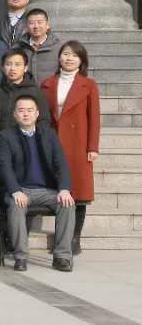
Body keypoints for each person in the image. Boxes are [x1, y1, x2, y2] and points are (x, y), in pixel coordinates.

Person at [0, 95, 76, 272]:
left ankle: (62, 256)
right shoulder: (5, 136)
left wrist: (64, 189)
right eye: (21, 110)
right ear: (15, 114)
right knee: (16, 205)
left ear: (37, 113)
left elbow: (61, 163)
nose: (26, 114)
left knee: (67, 203)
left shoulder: (49, 134)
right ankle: (21, 256)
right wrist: (15, 190)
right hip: (20, 189)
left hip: (46, 190)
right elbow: (4, 166)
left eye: (30, 110)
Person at [40, 41, 101, 256]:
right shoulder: (47, 84)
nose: (69, 58)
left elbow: (94, 118)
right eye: (66, 54)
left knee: (78, 193)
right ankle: (62, 236)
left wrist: (92, 146)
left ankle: (74, 239)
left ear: (81, 61)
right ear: (59, 57)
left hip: (78, 144)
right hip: (54, 142)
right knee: (58, 192)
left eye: (74, 55)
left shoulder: (88, 85)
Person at [0, 50, 51, 135]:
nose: (12, 68)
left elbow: (44, 120)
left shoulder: (34, 92)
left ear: (25, 68)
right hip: (1, 140)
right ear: (2, 68)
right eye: (8, 64)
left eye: (17, 64)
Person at [18, 8, 62, 84]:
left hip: (50, 90)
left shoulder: (59, 48)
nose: (36, 26)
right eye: (31, 23)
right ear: (26, 26)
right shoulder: (18, 48)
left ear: (47, 25)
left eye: (40, 22)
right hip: (25, 90)